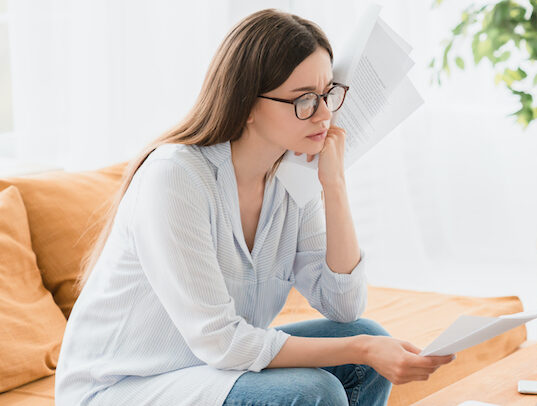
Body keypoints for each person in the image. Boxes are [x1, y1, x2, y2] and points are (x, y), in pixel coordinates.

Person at [54, 8, 455, 406]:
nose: (325, 113)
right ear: (246, 104)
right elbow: (222, 342)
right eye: (304, 101)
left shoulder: (291, 179)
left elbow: (344, 306)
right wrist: (361, 349)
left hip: (205, 371)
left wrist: (334, 184)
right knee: (317, 389)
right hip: (123, 387)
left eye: (327, 94)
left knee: (368, 337)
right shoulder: (175, 177)